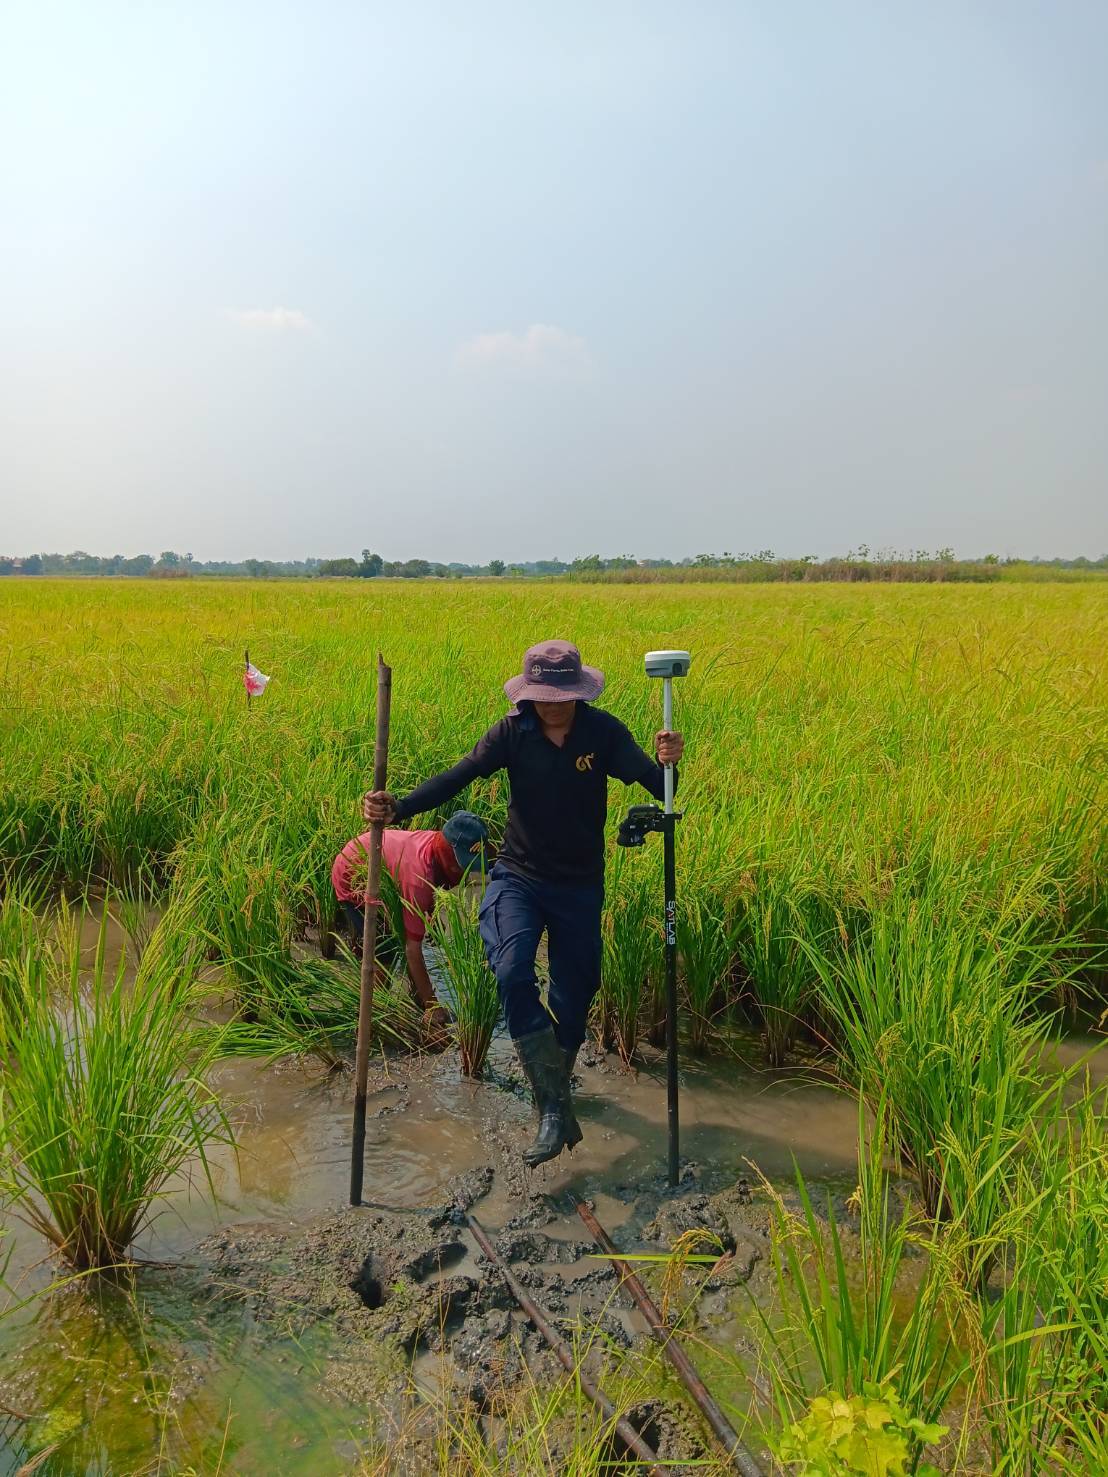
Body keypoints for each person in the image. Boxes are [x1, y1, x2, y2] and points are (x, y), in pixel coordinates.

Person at [363, 639, 684, 1167]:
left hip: (579, 884)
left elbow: (661, 787)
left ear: (579, 692)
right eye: (543, 696)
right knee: (512, 970)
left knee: (575, 994)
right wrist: (398, 806)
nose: (552, 705)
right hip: (519, 876)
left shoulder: (603, 733)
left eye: (562, 696)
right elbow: (458, 776)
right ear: (528, 693)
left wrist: (669, 763)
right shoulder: (511, 733)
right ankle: (553, 1108)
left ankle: (554, 1099)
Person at [332, 810, 490, 1029]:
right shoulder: (418, 878)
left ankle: (416, 996)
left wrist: (430, 912)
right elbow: (412, 950)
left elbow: (430, 886)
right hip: (354, 873)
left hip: (385, 868)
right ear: (446, 849)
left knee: (404, 935)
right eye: (459, 864)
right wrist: (433, 1007)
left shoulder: (433, 848)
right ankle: (372, 1014)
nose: (461, 873)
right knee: (385, 950)